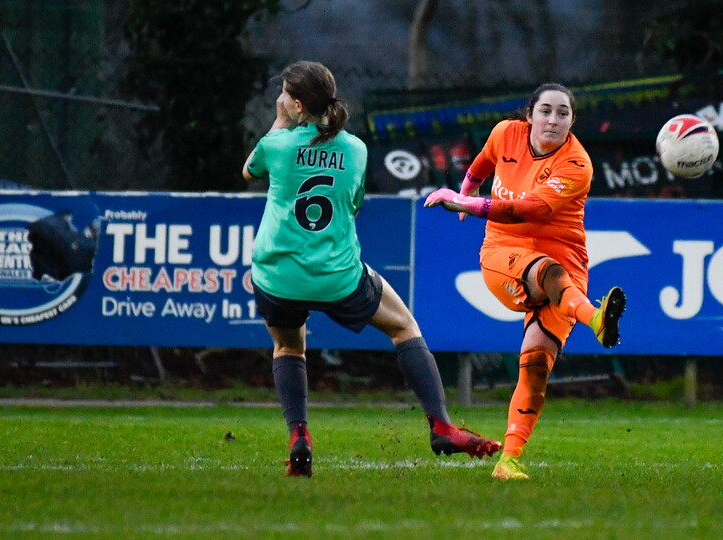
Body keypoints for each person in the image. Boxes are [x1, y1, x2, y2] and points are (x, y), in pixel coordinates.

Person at [242, 61, 500, 477]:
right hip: (337, 275)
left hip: (277, 275)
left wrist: (278, 121)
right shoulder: (356, 149)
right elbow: (354, 203)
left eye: (284, 95)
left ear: (295, 104)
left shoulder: (278, 145)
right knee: (404, 327)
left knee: (289, 347)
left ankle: (300, 437)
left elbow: (249, 169)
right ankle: (441, 426)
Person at [423, 83, 626, 480]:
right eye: (546, 110)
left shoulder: (577, 164)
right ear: (529, 114)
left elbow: (526, 210)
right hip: (504, 254)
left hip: (567, 263)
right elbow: (481, 164)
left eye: (563, 113)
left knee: (535, 365)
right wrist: (467, 189)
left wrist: (468, 203)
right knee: (546, 272)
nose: (553, 120)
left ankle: (508, 461)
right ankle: (596, 318)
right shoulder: (505, 133)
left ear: (572, 121)